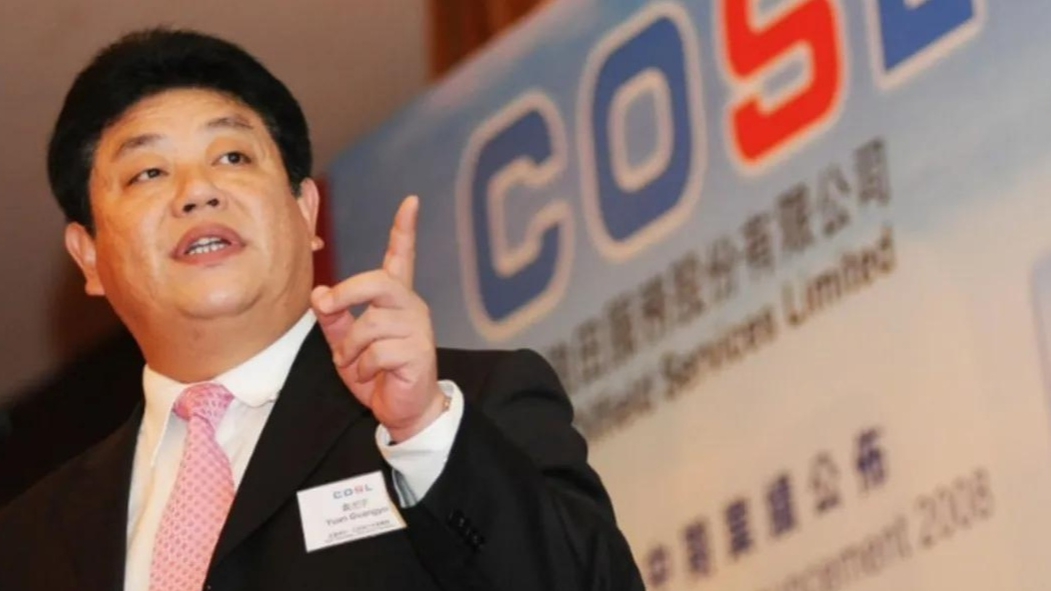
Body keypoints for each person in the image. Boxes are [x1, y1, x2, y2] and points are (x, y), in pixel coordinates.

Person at [0, 28, 643, 591]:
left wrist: (423, 431)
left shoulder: (470, 406)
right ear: (89, 256)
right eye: (148, 173)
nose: (197, 192)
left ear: (305, 212)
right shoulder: (29, 540)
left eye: (232, 156)